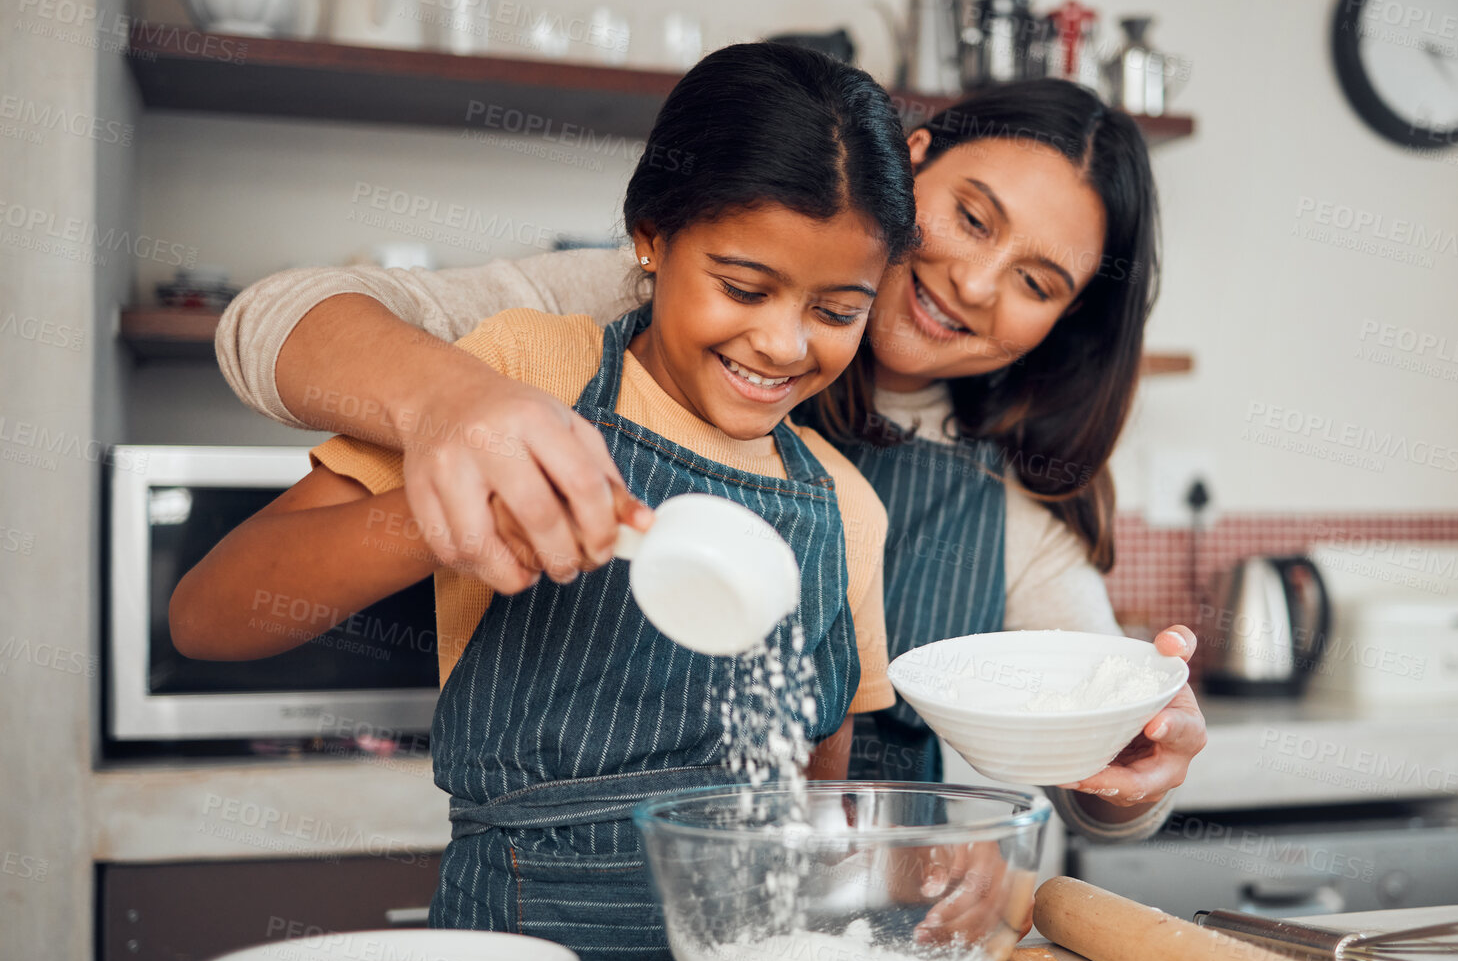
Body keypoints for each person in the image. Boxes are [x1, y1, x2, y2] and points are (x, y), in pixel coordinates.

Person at [213, 79, 1206, 845]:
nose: (977, 282)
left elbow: (1096, 787)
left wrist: (1135, 754)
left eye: (1037, 280)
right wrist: (451, 403)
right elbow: (271, 320)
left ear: (1066, 319)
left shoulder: (1004, 510)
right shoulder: (607, 318)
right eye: (972, 217)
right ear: (908, 168)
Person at [170, 42, 914, 961]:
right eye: (743, 287)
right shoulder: (524, 378)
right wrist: (438, 516)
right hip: (515, 959)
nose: (781, 341)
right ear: (651, 234)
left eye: (838, 311)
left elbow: (820, 768)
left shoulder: (845, 507)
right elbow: (208, 615)